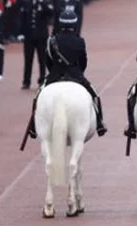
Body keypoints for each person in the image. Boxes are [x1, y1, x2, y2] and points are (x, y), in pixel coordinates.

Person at [25, 9, 106, 139]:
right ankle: (100, 124)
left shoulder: (52, 40)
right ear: (74, 24)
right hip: (75, 75)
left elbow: (48, 61)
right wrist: (78, 72)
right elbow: (83, 62)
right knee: (95, 95)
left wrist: (54, 71)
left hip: (55, 75)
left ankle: (34, 128)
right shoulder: (80, 41)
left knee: (37, 97)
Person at [21, 0, 53, 89]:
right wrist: (21, 33)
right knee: (28, 59)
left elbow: (50, 13)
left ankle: (42, 79)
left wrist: (42, 2)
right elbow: (23, 18)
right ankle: (26, 81)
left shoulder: (46, 1)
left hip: (42, 36)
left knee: (42, 59)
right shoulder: (27, 1)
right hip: (29, 35)